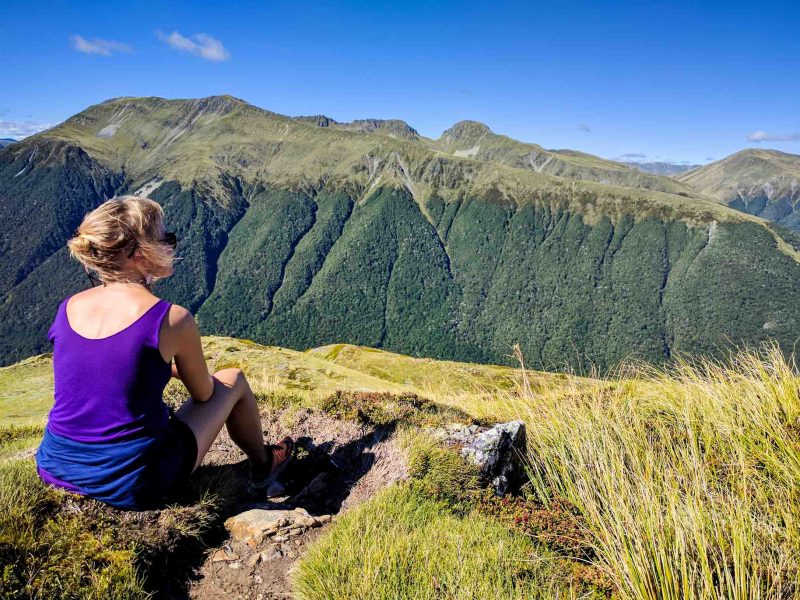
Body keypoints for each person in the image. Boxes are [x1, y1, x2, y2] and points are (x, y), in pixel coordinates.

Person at [34, 195, 293, 510]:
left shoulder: (69, 307)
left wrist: (160, 368)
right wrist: (178, 368)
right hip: (130, 480)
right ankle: (264, 465)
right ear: (140, 253)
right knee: (233, 379)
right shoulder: (171, 319)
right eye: (166, 239)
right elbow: (204, 393)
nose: (171, 246)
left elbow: (100, 371)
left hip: (55, 464)